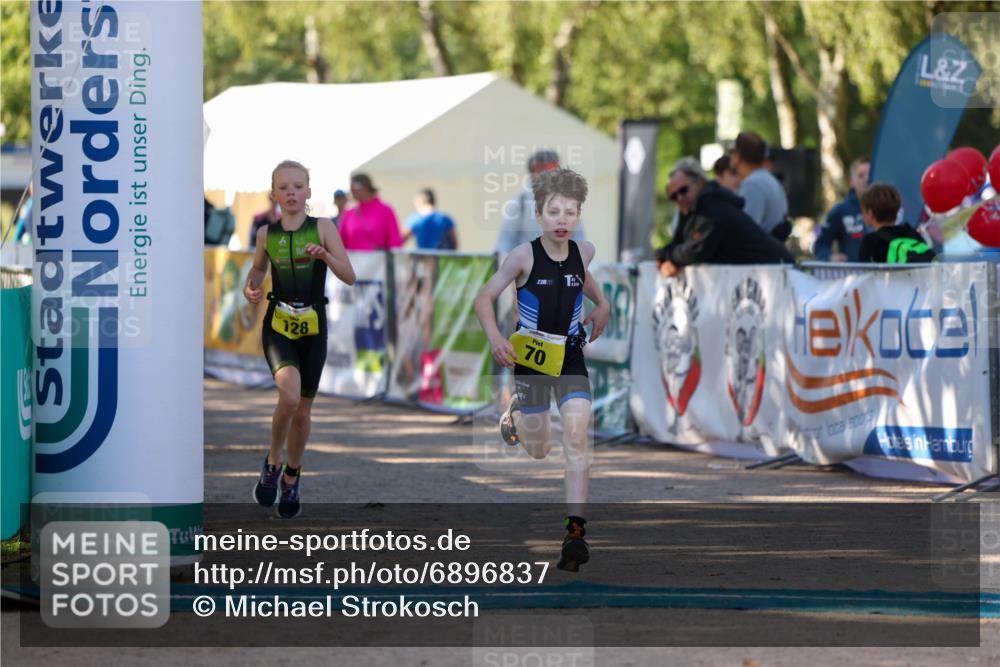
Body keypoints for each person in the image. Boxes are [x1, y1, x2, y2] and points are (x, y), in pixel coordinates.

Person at [475, 168, 610, 572]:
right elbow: (484, 299)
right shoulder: (522, 256)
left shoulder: (583, 250)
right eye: (554, 212)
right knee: (539, 448)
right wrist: (497, 339)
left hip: (569, 355)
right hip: (531, 361)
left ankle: (575, 531)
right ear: (538, 215)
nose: (562, 220)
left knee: (576, 433)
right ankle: (517, 412)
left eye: (570, 212)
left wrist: (601, 304)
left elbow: (584, 280)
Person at [243, 160, 356, 518]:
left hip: (313, 324)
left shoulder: (323, 227)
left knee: (303, 410)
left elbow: (349, 275)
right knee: (288, 397)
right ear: (273, 194)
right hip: (278, 323)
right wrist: (252, 286)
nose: (291, 192)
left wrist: (325, 255)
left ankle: (292, 475)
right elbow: (259, 268)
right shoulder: (265, 234)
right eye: (284, 187)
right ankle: (273, 461)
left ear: (308, 192)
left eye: (297, 186)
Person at [655, 165, 794, 278]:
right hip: (758, 276)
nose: (679, 198)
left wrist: (669, 257)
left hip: (776, 275)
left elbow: (696, 251)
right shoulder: (690, 210)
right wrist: (665, 258)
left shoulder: (711, 207)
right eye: (673, 197)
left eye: (683, 190)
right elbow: (680, 244)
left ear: (700, 183)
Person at [496, 149, 585, 255]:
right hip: (527, 267)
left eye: (553, 168)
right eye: (542, 169)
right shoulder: (521, 202)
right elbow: (505, 242)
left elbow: (579, 239)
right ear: (533, 172)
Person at [729, 131, 789, 239]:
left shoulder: (753, 186)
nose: (730, 157)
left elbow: (744, 234)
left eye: (732, 152)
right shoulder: (769, 180)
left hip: (760, 255)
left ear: (738, 156)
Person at [858, 184, 935, 264]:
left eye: (863, 211)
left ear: (870, 213)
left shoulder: (870, 242)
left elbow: (865, 274)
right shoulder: (913, 235)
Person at [813, 157, 870, 262]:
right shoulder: (840, 210)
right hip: (853, 275)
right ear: (852, 181)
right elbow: (819, 240)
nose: (866, 179)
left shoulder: (889, 207)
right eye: (861, 175)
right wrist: (828, 257)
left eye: (870, 174)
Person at [338, 173, 403, 251]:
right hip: (354, 261)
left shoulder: (386, 210)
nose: (351, 191)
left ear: (365, 187)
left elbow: (395, 241)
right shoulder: (349, 213)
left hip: (379, 261)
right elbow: (341, 242)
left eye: (353, 187)